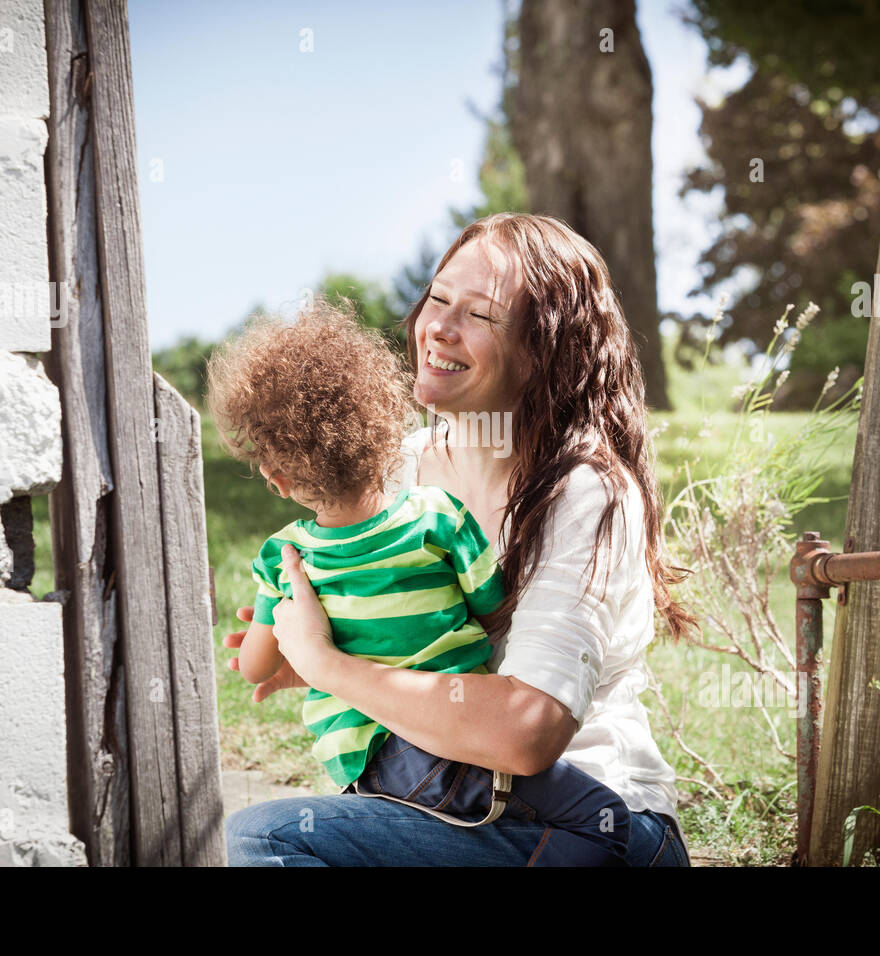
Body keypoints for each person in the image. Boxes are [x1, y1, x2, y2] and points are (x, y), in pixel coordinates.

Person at [223, 212, 697, 866]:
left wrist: (330, 666)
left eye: (480, 315)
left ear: (544, 352)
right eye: (438, 299)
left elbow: (528, 730)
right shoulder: (394, 471)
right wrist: (336, 640)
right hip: (453, 809)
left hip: (591, 826)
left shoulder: (582, 490)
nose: (438, 328)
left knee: (264, 841)